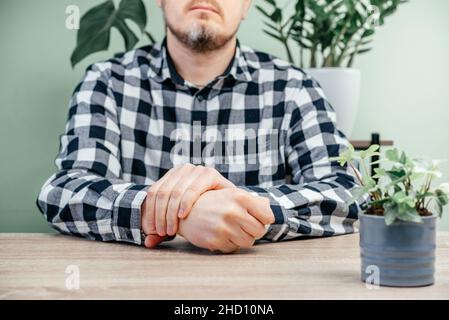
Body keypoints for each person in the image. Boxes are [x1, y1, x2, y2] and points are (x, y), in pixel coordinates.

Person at [37, 0, 365, 253]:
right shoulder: (107, 83)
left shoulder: (293, 87)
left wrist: (238, 211)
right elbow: (64, 192)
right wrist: (174, 212)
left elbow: (349, 192)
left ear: (247, 4)